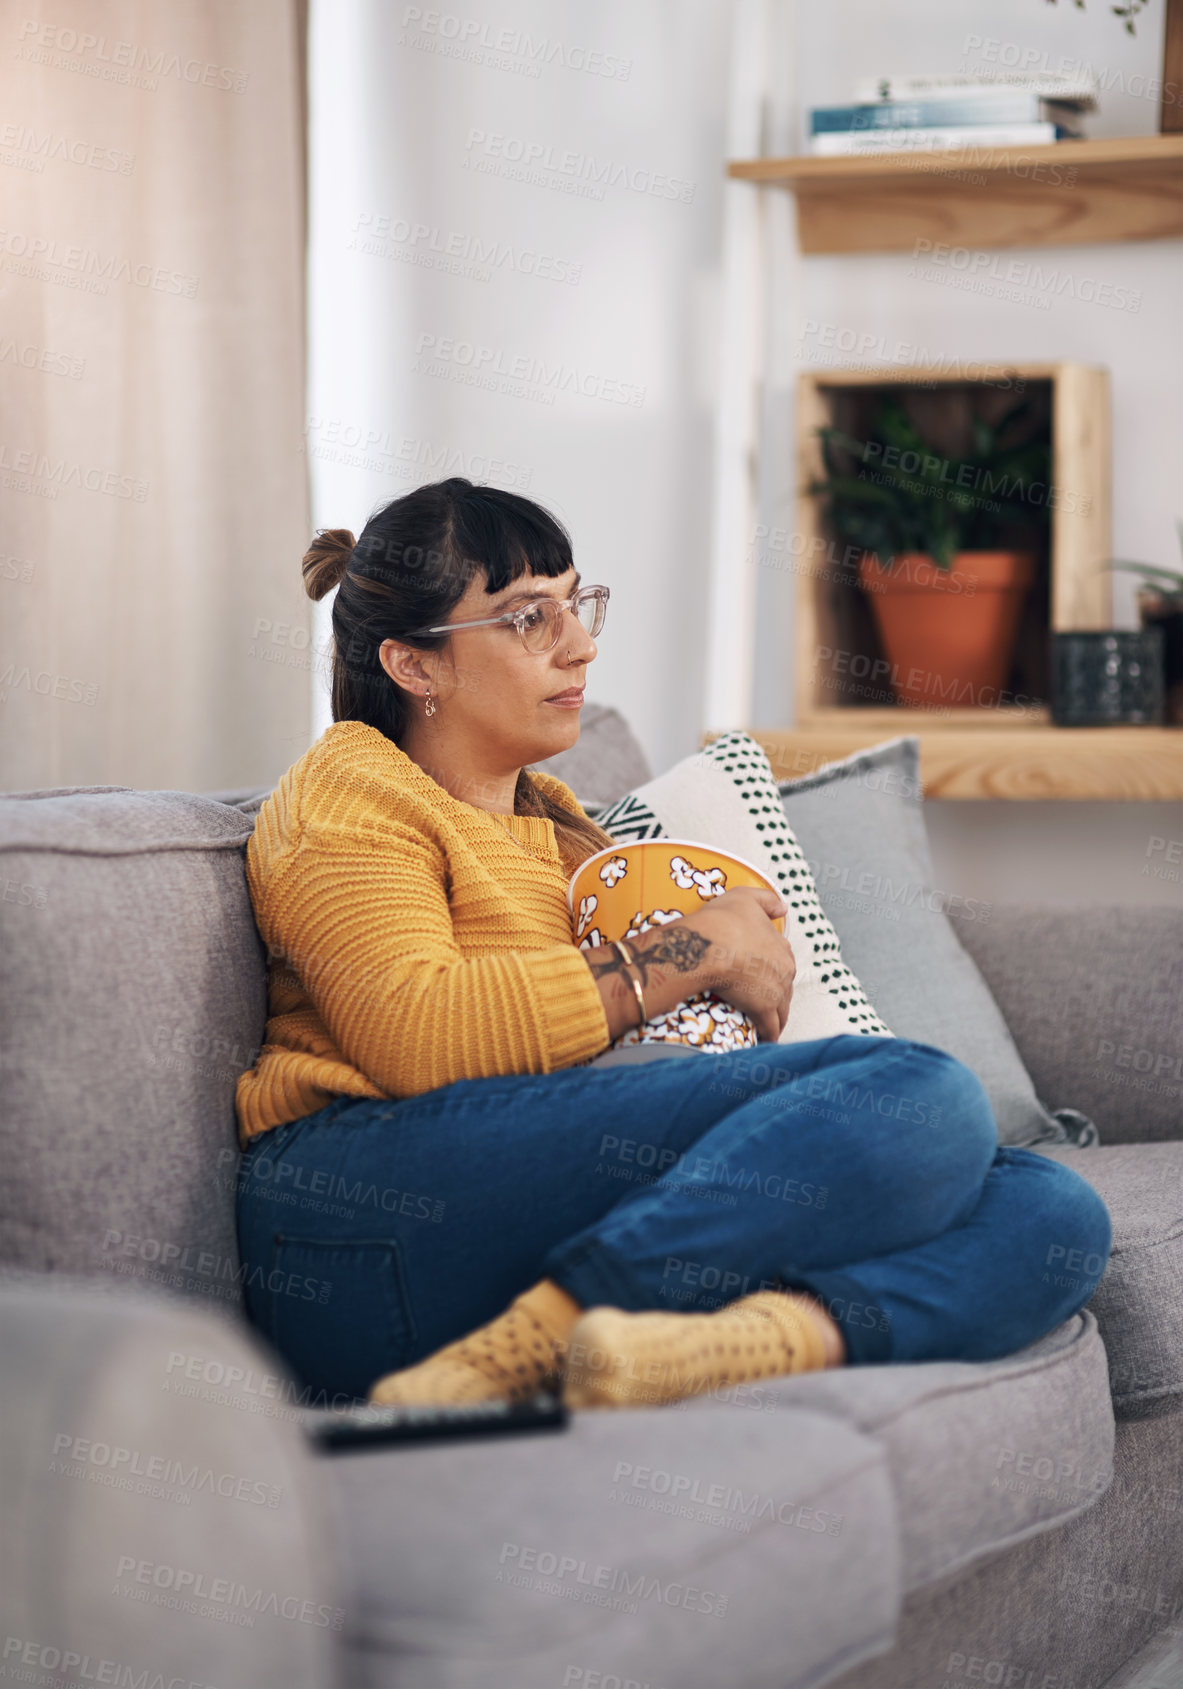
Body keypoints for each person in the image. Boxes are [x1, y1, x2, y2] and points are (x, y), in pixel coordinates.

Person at [234, 476, 1111, 1411]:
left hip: (526, 1201)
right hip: (356, 1220)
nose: (580, 643)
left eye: (577, 605)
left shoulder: (557, 822)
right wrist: (699, 947)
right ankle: (533, 1345)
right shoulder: (351, 789)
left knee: (1052, 1210)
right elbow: (421, 1036)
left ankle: (697, 1351)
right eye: (529, 618)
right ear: (414, 666)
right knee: (920, 1089)